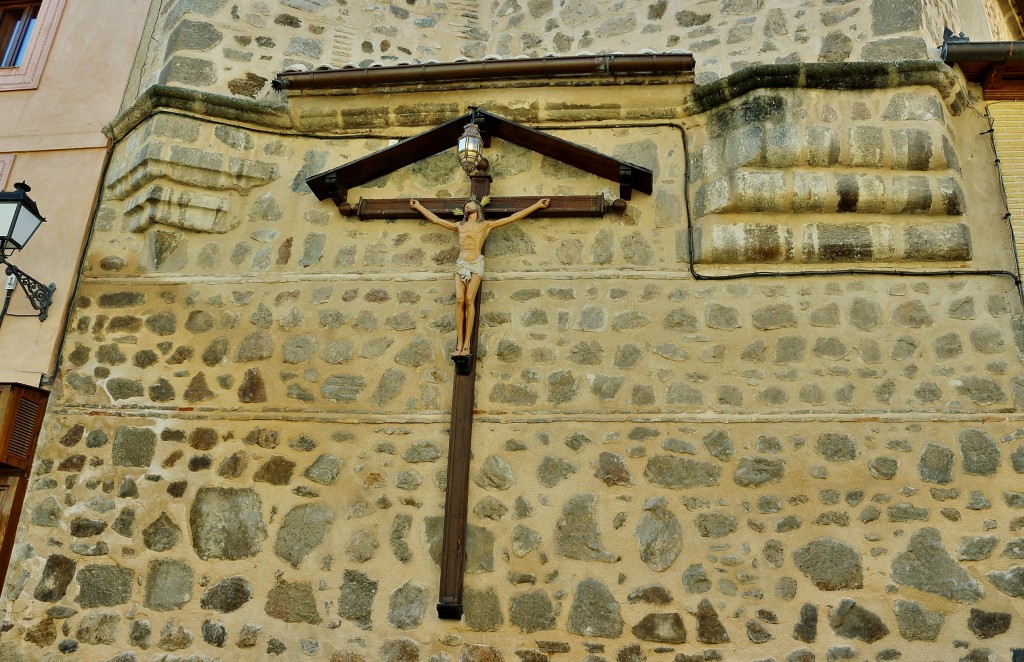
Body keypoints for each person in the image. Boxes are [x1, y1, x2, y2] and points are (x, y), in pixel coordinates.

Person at [410, 197, 550, 356]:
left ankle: (467, 345)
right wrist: (419, 206)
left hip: (476, 263)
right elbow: (436, 220)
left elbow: (512, 218)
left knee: (469, 299)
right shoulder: (459, 226)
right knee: (459, 300)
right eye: (465, 206)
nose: (467, 206)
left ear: (478, 208)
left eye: (470, 204)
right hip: (461, 264)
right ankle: (459, 344)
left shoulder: (485, 225)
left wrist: (536, 205)